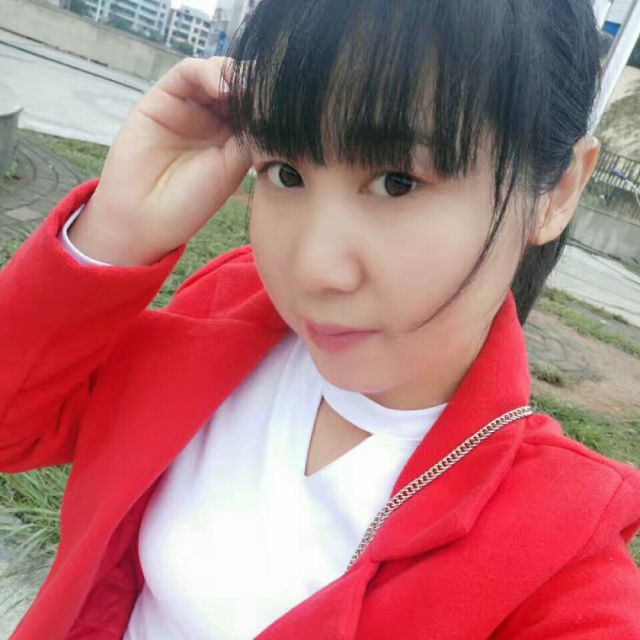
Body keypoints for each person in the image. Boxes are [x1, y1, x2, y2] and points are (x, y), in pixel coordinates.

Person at [1, 0, 639, 638]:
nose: (313, 269)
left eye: (397, 182)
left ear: (555, 193)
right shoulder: (222, 314)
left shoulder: (555, 551)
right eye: (285, 172)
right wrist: (116, 231)